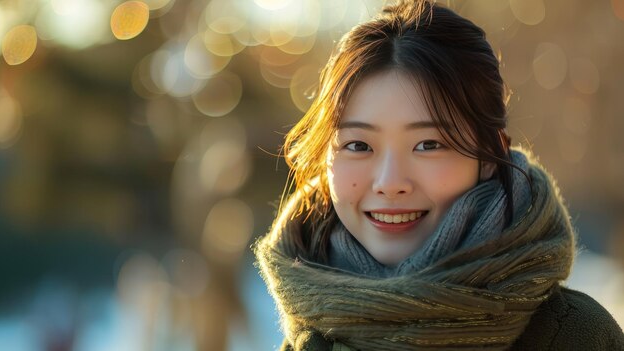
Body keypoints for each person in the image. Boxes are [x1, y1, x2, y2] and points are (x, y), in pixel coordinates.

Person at [254, 1, 624, 350]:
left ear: (492, 154)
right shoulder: (311, 338)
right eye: (359, 145)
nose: (390, 182)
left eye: (429, 145)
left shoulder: (574, 335)